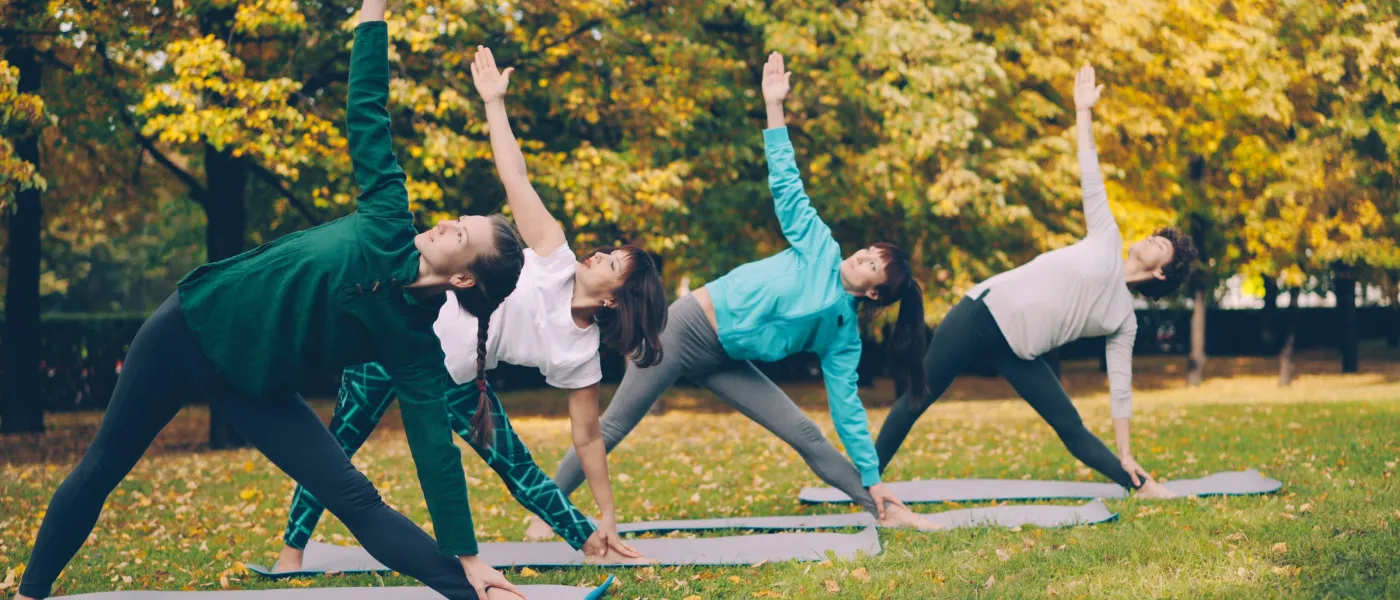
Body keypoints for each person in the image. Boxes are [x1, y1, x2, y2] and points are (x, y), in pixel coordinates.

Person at [13, 3, 529, 598]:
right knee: (103, 466)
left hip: (255, 385)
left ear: (464, 279)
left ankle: (473, 594)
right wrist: (373, 12)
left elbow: (435, 450)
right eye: (455, 222)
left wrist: (466, 555)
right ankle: (30, 594)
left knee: (354, 497)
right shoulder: (389, 212)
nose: (444, 225)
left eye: (459, 235)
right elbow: (367, 111)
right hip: (189, 328)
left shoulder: (412, 344)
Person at [272, 46, 667, 573]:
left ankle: (592, 543)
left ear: (616, 297)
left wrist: (608, 516)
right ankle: (291, 552)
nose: (599, 253)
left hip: (460, 377)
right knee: (338, 443)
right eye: (608, 249)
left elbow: (588, 436)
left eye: (612, 262)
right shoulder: (554, 254)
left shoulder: (580, 353)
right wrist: (494, 105)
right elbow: (516, 180)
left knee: (517, 467)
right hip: (394, 334)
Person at [528, 52, 941, 540]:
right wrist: (773, 108)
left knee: (805, 434)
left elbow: (847, 406)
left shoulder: (843, 336)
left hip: (725, 358)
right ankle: (544, 510)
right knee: (613, 425)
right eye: (868, 251)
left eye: (873, 263)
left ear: (874, 291)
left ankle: (882, 506)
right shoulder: (819, 247)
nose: (862, 256)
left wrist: (871, 475)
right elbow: (788, 186)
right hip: (684, 329)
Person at [873, 65, 1198, 500]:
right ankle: (866, 481)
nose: (1152, 239)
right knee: (918, 398)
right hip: (980, 314)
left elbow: (1121, 388)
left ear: (1161, 272)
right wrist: (1083, 111)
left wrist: (1125, 448)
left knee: (1070, 427)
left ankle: (1139, 482)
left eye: (1162, 245)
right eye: (1157, 235)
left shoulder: (1124, 320)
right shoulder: (1107, 237)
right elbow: (1089, 169)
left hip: (1017, 350)